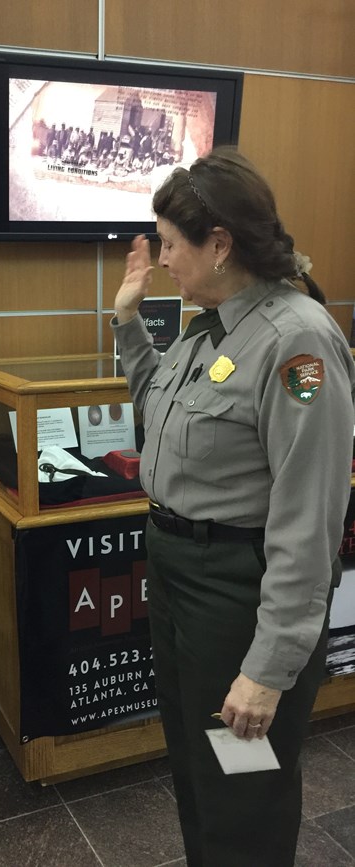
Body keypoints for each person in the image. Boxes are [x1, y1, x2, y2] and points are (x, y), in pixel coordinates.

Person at [111, 147, 355, 867]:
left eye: (170, 244)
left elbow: (311, 517)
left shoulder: (297, 340)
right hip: (183, 574)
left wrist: (270, 665)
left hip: (238, 594)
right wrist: (128, 322)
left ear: (219, 244)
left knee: (243, 782)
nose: (161, 260)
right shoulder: (207, 326)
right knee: (196, 765)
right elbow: (159, 419)